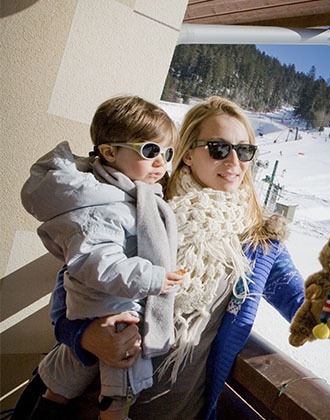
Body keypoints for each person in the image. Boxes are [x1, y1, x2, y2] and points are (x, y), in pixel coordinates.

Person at [14, 97, 307, 420]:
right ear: (189, 154)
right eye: (219, 148)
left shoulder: (260, 239)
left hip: (173, 410)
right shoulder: (143, 200)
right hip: (86, 399)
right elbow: (68, 292)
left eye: (246, 150)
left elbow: (305, 305)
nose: (234, 161)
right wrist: (86, 336)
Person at [20, 96, 185, 420]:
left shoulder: (120, 197)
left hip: (93, 312)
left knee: (60, 386)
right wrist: (153, 277)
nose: (161, 163)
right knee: (117, 398)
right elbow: (93, 262)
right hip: (116, 317)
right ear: (109, 152)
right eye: (150, 151)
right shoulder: (107, 207)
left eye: (167, 154)